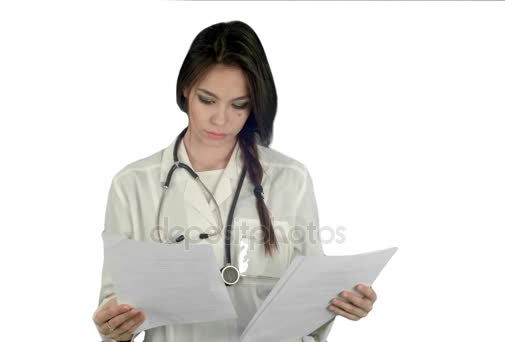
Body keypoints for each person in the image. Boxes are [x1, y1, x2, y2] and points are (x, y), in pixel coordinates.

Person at [92, 20, 378, 342]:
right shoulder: (132, 186)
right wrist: (114, 326)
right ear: (185, 90)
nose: (221, 119)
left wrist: (341, 303)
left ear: (254, 104)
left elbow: (310, 302)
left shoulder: (290, 179)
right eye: (207, 100)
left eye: (239, 105)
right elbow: (113, 306)